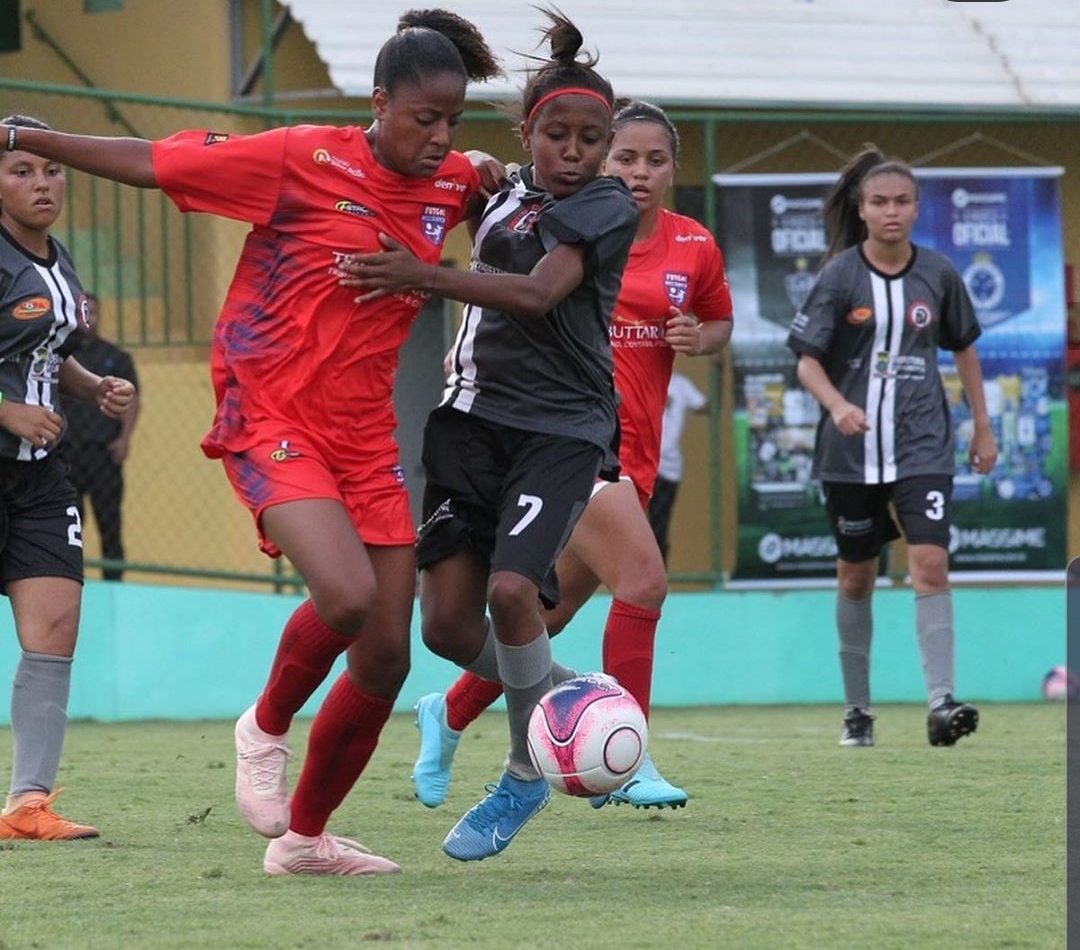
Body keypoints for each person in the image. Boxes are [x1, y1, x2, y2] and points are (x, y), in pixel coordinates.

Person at [1, 10, 503, 873]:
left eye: (455, 120)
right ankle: (263, 727)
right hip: (269, 411)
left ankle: (304, 841)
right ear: (379, 104)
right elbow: (155, 163)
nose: (442, 137)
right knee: (343, 597)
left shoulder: (456, 181)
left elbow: (523, 198)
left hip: (365, 435)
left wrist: (500, 172)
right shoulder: (302, 157)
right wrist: (14, 131)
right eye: (425, 117)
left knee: (385, 655)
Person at [343, 10, 639, 860]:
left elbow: (542, 292)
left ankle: (521, 772)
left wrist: (420, 275)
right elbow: (427, 173)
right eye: (557, 134)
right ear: (527, 132)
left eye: (592, 137)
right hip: (468, 423)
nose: (575, 151)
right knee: (441, 626)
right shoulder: (501, 188)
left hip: (559, 429)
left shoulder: (607, 207)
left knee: (514, 594)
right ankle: (569, 695)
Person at [396, 99, 733, 816]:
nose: (639, 172)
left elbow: (718, 322)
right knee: (642, 581)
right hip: (571, 446)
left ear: (674, 170)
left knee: (535, 620)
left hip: (634, 447)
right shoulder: (557, 232)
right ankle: (626, 751)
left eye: (655, 160)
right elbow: (523, 280)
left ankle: (446, 717)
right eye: (627, 159)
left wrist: (698, 338)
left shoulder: (693, 246)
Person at [786, 144, 998, 748]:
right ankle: (858, 711)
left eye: (902, 201)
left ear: (916, 207)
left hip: (924, 445)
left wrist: (982, 426)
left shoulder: (939, 273)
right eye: (879, 201)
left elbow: (965, 349)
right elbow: (806, 362)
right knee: (856, 577)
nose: (891, 211)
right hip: (850, 454)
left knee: (930, 563)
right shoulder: (839, 276)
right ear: (861, 209)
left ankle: (941, 703)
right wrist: (839, 405)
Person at [0, 114, 136, 841]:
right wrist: (8, 412)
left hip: (40, 477)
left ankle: (26, 806)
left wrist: (91, 387)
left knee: (54, 626)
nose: (42, 182)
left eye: (50, 169)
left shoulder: (57, 258)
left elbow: (48, 351)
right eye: (21, 171)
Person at [60, 293, 140, 581]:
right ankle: (70, 582)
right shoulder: (61, 358)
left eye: (93, 313)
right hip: (67, 453)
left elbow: (132, 401)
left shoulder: (116, 357)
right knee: (67, 528)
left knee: (110, 526)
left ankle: (114, 585)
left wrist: (124, 439)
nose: (89, 319)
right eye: (84, 313)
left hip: (103, 453)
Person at [648, 370, 708, 565]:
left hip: (668, 466)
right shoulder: (642, 380)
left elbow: (704, 405)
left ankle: (657, 572)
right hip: (638, 463)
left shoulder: (681, 385)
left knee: (659, 523)